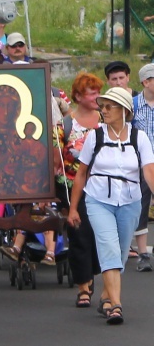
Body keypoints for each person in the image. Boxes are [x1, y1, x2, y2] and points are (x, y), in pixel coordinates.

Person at [68, 87, 154, 325]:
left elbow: (149, 171)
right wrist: (74, 208)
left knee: (121, 253)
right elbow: (82, 173)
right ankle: (115, 305)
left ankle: (106, 295)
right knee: (108, 247)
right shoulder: (95, 136)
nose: (103, 110)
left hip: (130, 201)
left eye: (109, 106)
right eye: (102, 105)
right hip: (98, 200)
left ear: (124, 110)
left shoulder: (139, 138)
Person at [53, 72, 103, 308]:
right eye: (92, 93)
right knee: (80, 234)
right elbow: (56, 161)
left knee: (99, 235)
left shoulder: (106, 119)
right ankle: (84, 286)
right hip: (74, 186)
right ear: (78, 96)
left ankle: (93, 272)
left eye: (97, 92)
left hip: (103, 186)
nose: (97, 97)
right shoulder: (65, 124)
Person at [130, 63, 154, 272]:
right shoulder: (133, 105)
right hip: (141, 164)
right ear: (146, 82)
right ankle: (143, 254)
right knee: (141, 207)